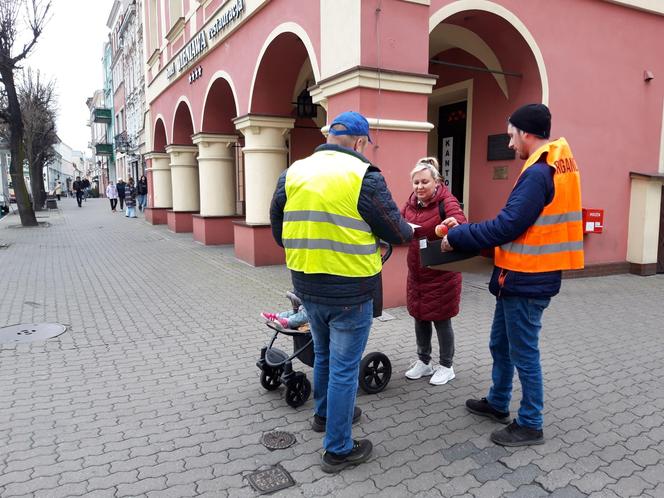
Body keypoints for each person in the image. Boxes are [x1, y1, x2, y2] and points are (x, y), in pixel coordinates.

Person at [270, 111, 413, 473]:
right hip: (349, 292)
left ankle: (324, 415)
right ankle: (337, 448)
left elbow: (277, 226)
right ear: (361, 142)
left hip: (306, 285)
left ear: (328, 136)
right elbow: (397, 232)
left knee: (323, 355)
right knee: (346, 368)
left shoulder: (293, 173)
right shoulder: (364, 176)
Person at [441, 103, 584, 446]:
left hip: (528, 280)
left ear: (526, 133)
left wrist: (457, 236)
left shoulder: (538, 174)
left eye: (511, 136)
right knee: (500, 345)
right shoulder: (545, 166)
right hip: (517, 277)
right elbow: (517, 227)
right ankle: (498, 401)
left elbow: (507, 225)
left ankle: (531, 423)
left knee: (524, 353)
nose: (509, 144)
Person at [402, 157, 466, 386]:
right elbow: (399, 222)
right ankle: (424, 361)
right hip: (417, 272)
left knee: (441, 319)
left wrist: (454, 225)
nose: (419, 187)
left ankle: (447, 366)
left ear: (436, 182)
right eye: (416, 182)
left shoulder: (446, 201)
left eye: (424, 182)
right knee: (419, 316)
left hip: (441, 274)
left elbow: (459, 219)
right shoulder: (410, 203)